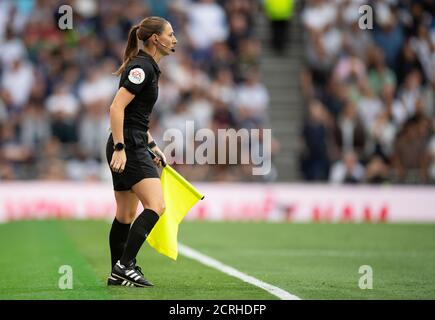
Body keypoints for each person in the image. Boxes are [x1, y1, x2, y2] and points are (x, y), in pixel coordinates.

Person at [105, 16, 177, 287]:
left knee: (125, 214)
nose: (175, 39)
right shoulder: (142, 68)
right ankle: (125, 265)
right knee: (156, 206)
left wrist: (153, 145)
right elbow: (116, 108)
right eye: (170, 34)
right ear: (156, 39)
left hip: (131, 141)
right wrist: (122, 148)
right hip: (127, 145)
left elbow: (135, 116)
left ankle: (116, 272)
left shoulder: (146, 66)